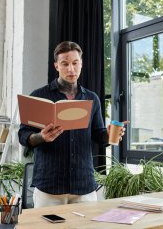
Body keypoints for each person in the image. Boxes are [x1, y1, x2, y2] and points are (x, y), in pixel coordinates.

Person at [18, 41, 127, 208]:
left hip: (84, 186)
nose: (71, 69)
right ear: (56, 66)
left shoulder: (92, 98)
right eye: (65, 64)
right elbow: (23, 135)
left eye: (75, 63)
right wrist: (41, 137)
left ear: (81, 64)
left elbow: (99, 135)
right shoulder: (39, 95)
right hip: (49, 187)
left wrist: (109, 133)